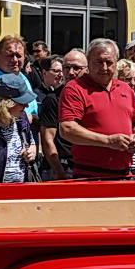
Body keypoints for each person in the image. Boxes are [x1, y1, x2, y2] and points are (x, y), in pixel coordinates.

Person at [59, 38, 135, 179]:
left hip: (125, 174)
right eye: (99, 62)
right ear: (88, 62)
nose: (104, 68)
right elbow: (67, 129)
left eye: (109, 63)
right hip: (90, 176)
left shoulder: (125, 88)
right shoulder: (75, 88)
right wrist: (108, 141)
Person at [36, 52, 83, 180]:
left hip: (87, 166)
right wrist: (59, 171)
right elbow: (48, 139)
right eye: (66, 68)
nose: (70, 72)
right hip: (64, 168)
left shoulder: (91, 97)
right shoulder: (52, 99)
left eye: (77, 68)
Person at [0, 35, 38, 119]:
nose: (15, 60)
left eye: (19, 55)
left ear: (24, 57)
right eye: (10, 55)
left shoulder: (23, 79)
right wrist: (28, 120)